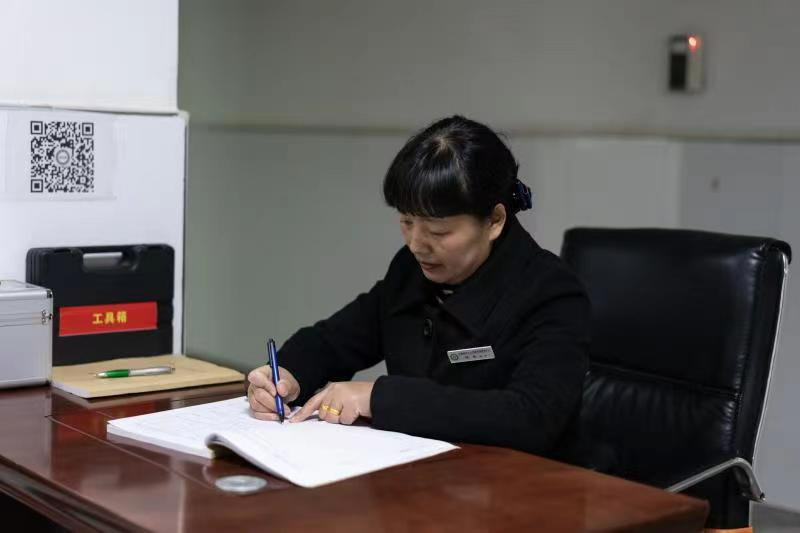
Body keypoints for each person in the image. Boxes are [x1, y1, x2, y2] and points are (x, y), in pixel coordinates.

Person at [247, 115, 590, 454]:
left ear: (495, 220)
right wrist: (288, 374)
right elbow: (336, 339)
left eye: (438, 231)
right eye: (406, 222)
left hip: (519, 479)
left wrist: (379, 398)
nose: (416, 245)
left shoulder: (550, 292)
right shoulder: (411, 270)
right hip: (421, 469)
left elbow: (532, 417)